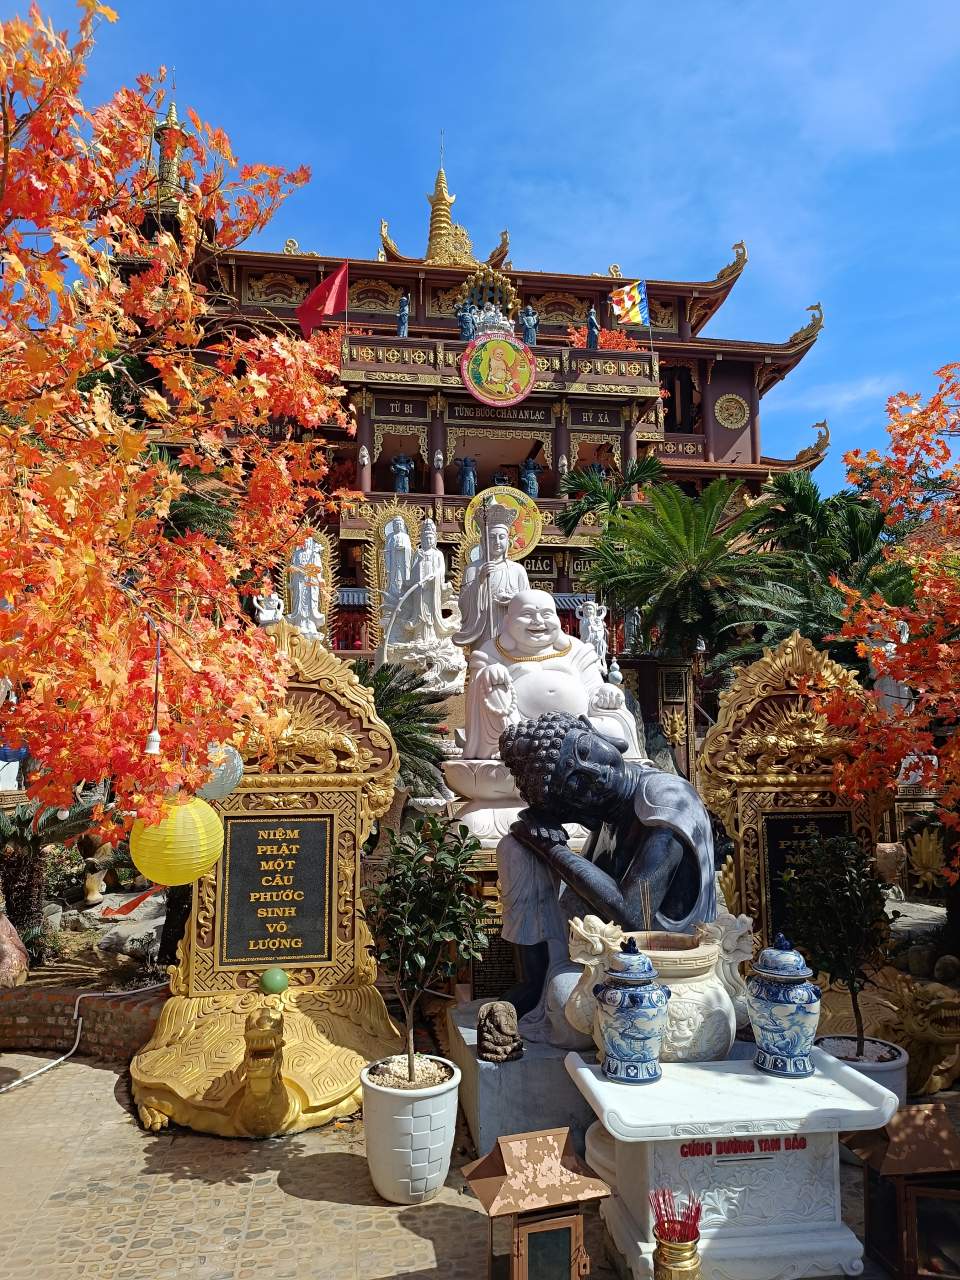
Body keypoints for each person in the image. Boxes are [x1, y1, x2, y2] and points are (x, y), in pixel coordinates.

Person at [497, 710, 716, 1015]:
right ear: (570, 810)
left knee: (565, 998)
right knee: (514, 849)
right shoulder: (606, 816)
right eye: (575, 785)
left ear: (595, 731)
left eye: (586, 750)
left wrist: (551, 848)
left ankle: (546, 993)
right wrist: (540, 827)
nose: (594, 773)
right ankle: (532, 984)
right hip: (601, 950)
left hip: (657, 968)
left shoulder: (664, 796)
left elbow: (635, 917)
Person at [454, 504, 529, 651]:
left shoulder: (518, 570)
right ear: (484, 541)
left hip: (509, 628)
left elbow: (528, 602)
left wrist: (513, 600)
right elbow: (463, 604)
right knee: (484, 659)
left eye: (502, 537)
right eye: (492, 537)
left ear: (508, 540)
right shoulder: (472, 569)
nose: (497, 542)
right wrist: (480, 581)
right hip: (484, 629)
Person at [287, 536, 326, 637]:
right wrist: (298, 571)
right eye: (303, 542)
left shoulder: (315, 555)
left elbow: (318, 569)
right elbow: (292, 567)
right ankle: (299, 623)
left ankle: (311, 624)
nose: (305, 544)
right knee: (299, 601)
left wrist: (319, 578)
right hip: (299, 581)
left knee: (311, 603)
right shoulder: (297, 553)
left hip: (310, 582)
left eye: (307, 542)